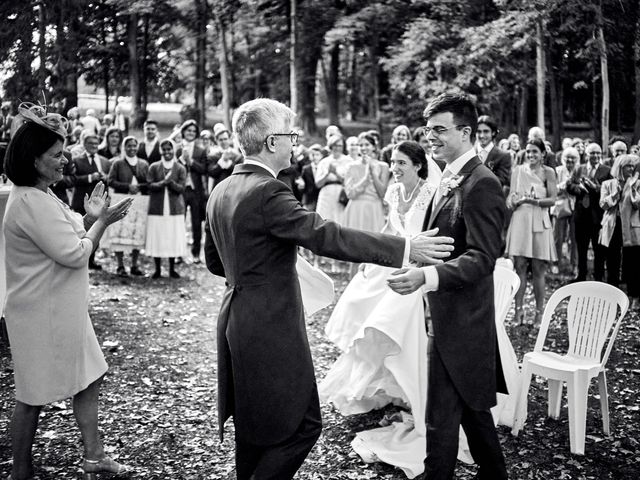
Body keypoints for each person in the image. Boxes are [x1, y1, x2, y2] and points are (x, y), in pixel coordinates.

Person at [203, 98, 455, 480]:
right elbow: (326, 235)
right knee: (303, 425)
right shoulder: (268, 192)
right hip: (271, 325)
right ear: (272, 142)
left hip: (236, 319)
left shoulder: (222, 189)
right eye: (291, 134)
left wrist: (258, 269)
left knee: (253, 427)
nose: (295, 142)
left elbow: (215, 262)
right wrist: (406, 247)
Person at [3, 103, 132, 480]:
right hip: (41, 312)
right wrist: (102, 224)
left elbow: (71, 229)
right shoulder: (28, 200)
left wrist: (91, 217)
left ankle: (94, 456)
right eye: (57, 155)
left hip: (61, 308)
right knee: (32, 395)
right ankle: (20, 471)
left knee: (91, 374)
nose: (65, 161)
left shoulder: (42, 194)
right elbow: (74, 253)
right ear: (33, 158)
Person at [387, 92, 508, 480]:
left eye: (439, 129)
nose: (430, 137)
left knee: (441, 417)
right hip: (446, 315)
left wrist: (427, 276)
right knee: (473, 415)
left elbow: (483, 257)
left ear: (466, 132)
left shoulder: (482, 183)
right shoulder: (447, 177)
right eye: (428, 129)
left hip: (465, 321)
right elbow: (441, 242)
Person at [505, 138, 558, 324]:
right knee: (519, 266)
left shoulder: (548, 172)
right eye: (528, 152)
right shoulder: (518, 171)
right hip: (520, 219)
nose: (531, 155)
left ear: (543, 153)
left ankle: (539, 312)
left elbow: (552, 200)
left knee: (538, 269)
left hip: (539, 220)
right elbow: (510, 197)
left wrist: (532, 201)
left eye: (535, 151)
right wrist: (513, 201)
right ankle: (518, 311)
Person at [566, 142, 612, 282]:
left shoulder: (607, 170)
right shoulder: (579, 169)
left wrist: (596, 188)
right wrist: (578, 189)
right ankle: (581, 275)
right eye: (592, 153)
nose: (596, 156)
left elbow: (610, 191)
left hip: (598, 216)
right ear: (586, 155)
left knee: (599, 250)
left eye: (598, 153)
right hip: (581, 215)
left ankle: (598, 277)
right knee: (581, 247)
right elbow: (569, 185)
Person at [107, 136, 150, 276]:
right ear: (124, 148)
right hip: (122, 200)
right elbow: (111, 181)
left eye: (134, 145)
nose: (132, 148)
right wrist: (127, 186)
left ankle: (134, 264)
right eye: (128, 146)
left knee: (137, 231)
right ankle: (120, 265)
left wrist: (138, 187)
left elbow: (149, 182)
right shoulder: (118, 163)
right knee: (120, 230)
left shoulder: (143, 164)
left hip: (139, 202)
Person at [146, 138, 187, 278]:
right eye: (164, 149)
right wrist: (164, 182)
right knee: (158, 236)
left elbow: (181, 189)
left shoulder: (180, 168)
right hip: (157, 207)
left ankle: (171, 268)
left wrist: (171, 183)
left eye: (169, 149)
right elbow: (150, 185)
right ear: (160, 151)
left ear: (173, 150)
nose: (167, 152)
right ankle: (157, 269)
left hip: (174, 208)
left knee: (172, 237)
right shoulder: (154, 167)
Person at [71, 130, 112, 270]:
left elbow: (110, 180)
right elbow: (73, 179)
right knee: (80, 229)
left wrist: (106, 178)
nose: (94, 145)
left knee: (96, 230)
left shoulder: (105, 161)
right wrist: (90, 177)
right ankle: (80, 257)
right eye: (90, 143)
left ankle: (91, 260)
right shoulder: (77, 160)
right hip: (81, 200)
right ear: (84, 144)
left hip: (98, 204)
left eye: (96, 143)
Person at [342, 131, 389, 233]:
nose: (363, 148)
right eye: (360, 145)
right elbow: (350, 194)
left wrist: (372, 172)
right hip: (355, 208)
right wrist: (366, 179)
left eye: (367, 144)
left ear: (373, 147)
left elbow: (382, 193)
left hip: (374, 208)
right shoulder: (351, 166)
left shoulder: (383, 166)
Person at [612, 154, 640, 310]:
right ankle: (622, 294)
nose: (630, 169)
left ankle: (635, 296)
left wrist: (634, 190)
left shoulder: (637, 183)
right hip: (616, 226)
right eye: (627, 166)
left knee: (634, 262)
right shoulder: (614, 183)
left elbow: (637, 204)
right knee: (620, 262)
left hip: (632, 228)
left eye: (632, 166)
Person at [553, 147, 579, 274]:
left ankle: (575, 264)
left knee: (575, 238)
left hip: (576, 207)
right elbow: (553, 190)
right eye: (567, 158)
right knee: (558, 236)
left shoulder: (579, 171)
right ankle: (555, 263)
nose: (570, 161)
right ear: (563, 159)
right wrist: (564, 185)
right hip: (561, 206)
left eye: (573, 158)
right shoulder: (558, 171)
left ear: (577, 160)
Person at [315, 134, 351, 224]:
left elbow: (349, 182)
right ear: (331, 146)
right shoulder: (324, 162)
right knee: (324, 220)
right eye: (335, 145)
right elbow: (318, 184)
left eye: (340, 146)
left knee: (341, 220)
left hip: (341, 194)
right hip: (326, 194)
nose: (337, 148)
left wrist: (336, 173)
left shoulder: (348, 161)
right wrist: (327, 173)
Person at [475, 115, 511, 194]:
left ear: (493, 132)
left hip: (490, 199)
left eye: (486, 131)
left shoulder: (503, 156)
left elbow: (500, 181)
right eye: (479, 131)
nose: (482, 135)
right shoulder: (468, 153)